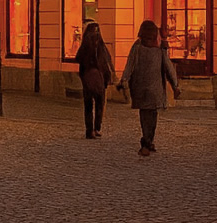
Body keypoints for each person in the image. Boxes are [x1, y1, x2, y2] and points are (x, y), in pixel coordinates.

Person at [117, 19, 181, 157]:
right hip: (155, 88)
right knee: (152, 115)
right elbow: (168, 66)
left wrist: (124, 79)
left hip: (139, 87)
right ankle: (148, 141)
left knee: (145, 115)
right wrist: (174, 84)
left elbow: (130, 64)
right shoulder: (160, 47)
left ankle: (147, 141)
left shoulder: (138, 46)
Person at [74, 21, 115, 139]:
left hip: (87, 79)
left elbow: (78, 59)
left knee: (88, 106)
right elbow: (107, 62)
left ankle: (89, 130)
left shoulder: (85, 47)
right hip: (100, 79)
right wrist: (109, 77)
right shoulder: (101, 46)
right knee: (99, 104)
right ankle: (97, 128)